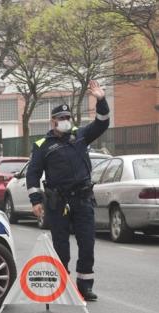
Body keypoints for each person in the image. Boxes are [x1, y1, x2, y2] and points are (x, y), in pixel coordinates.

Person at [26, 80, 110, 301]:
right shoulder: (42, 145)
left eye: (68, 118)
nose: (65, 121)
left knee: (87, 243)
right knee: (61, 247)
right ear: (53, 121)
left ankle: (85, 285)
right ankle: (63, 284)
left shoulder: (81, 135)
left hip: (82, 199)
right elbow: (32, 174)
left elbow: (102, 123)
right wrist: (36, 200)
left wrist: (101, 100)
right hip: (58, 202)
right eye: (61, 119)